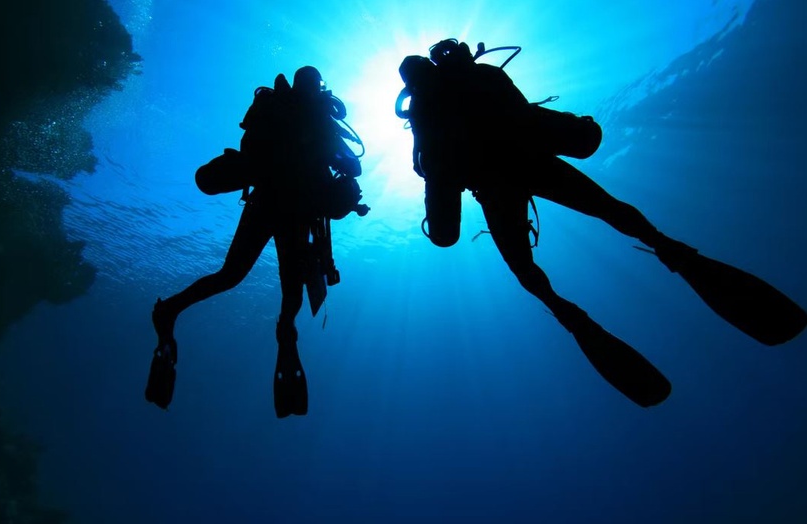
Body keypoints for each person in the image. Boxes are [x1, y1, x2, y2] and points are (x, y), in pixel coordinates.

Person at [396, 39, 806, 407]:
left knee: (526, 271)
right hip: (532, 160)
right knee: (610, 210)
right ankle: (671, 249)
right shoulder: (477, 75)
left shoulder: (424, 111)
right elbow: (522, 114)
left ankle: (568, 314)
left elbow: (436, 182)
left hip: (495, 187)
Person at [146, 66, 369, 417]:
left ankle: (169, 310)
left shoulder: (275, 107)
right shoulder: (319, 118)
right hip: (296, 211)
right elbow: (353, 168)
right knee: (291, 292)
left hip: (265, 203)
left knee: (229, 276)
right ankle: (286, 331)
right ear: (319, 87)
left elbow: (249, 149)